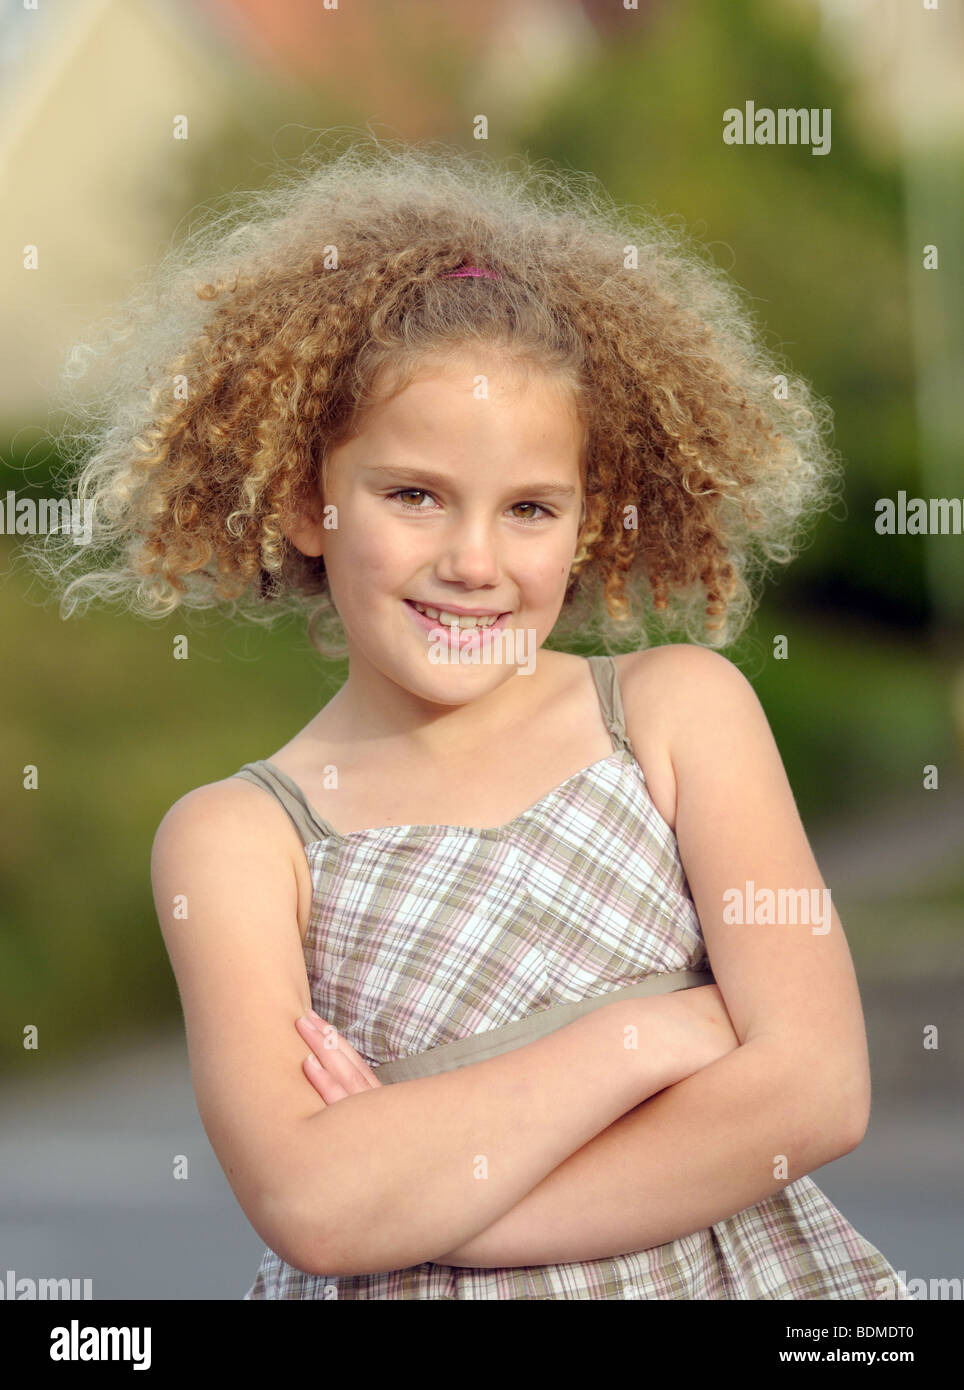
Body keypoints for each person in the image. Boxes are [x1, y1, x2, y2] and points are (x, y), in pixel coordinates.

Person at [31, 137, 912, 1300]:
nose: (473, 561)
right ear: (307, 501)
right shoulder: (241, 839)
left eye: (531, 509)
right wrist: (643, 1037)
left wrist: (443, 1197)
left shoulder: (676, 714)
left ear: (590, 524)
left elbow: (815, 1092)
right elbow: (321, 1206)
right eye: (413, 496)